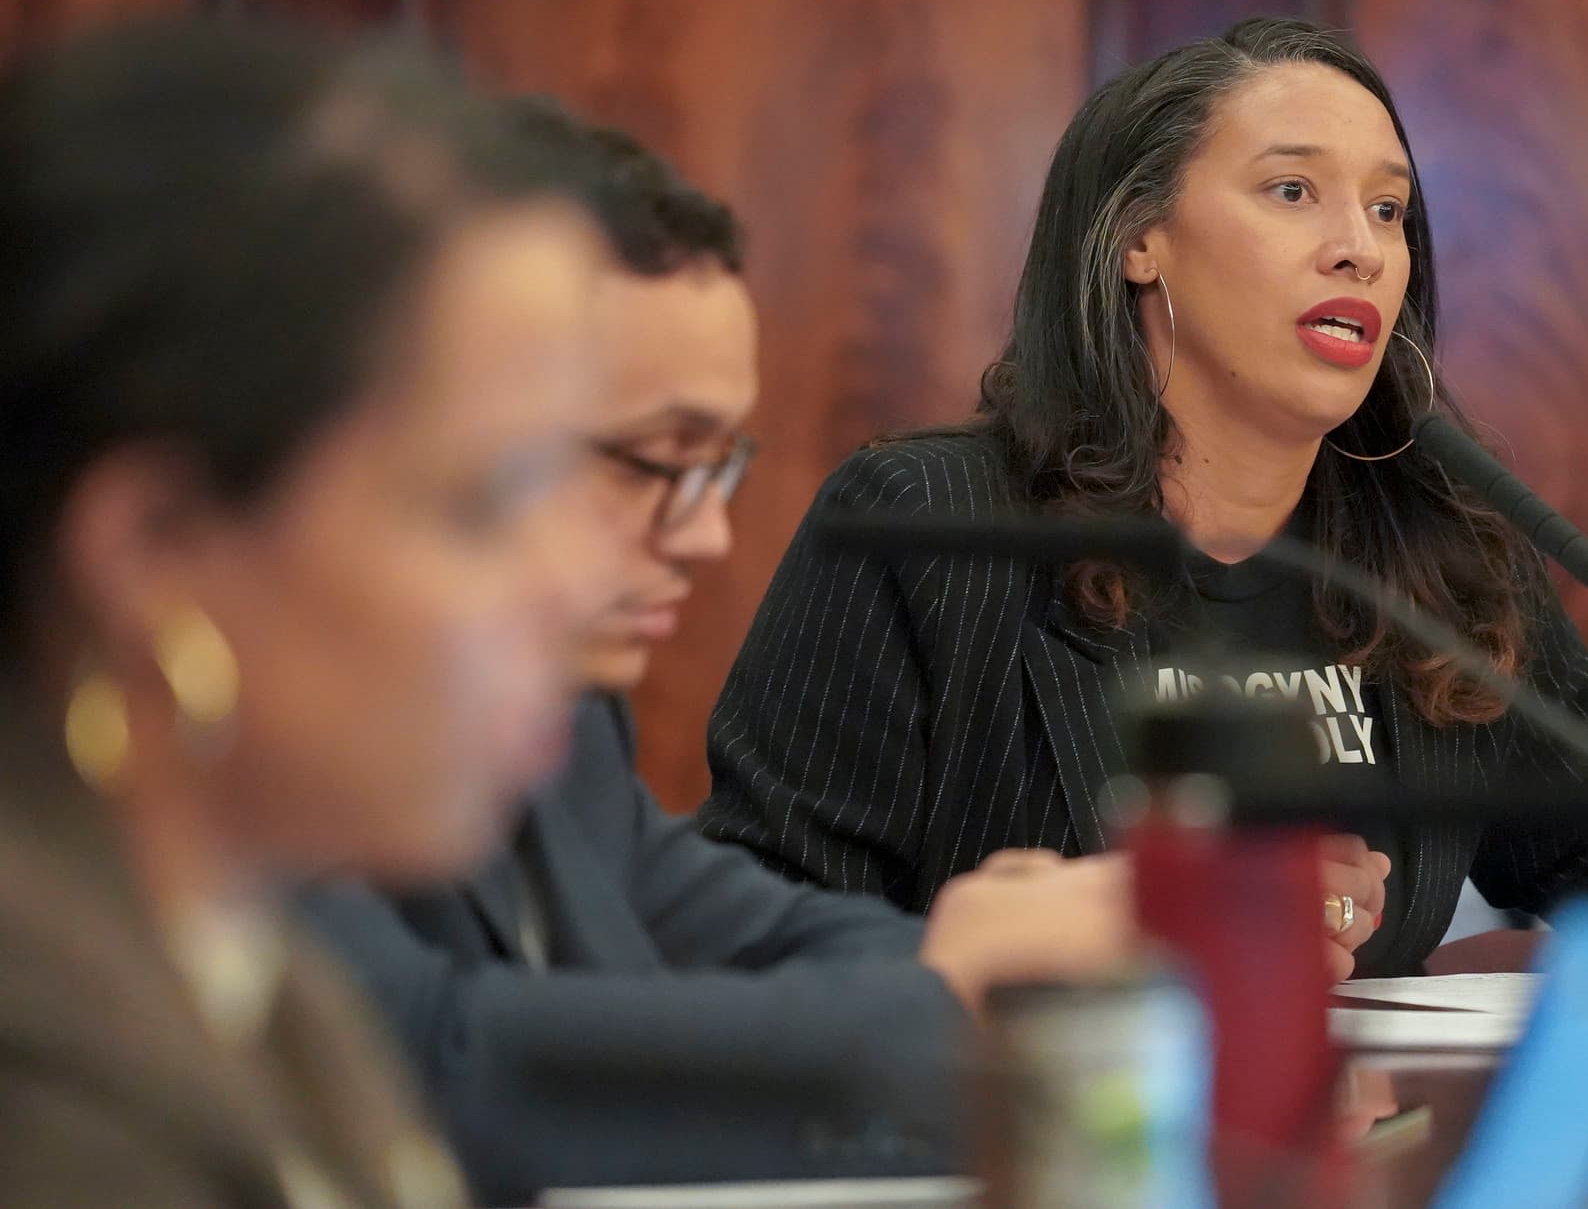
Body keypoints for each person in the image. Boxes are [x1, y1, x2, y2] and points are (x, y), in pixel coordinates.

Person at [699, 16, 1588, 973]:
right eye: (1293, 192)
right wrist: (1112, 943)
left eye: (1387, 209)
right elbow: (758, 930)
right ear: (1139, 239)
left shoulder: (1440, 550)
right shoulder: (934, 526)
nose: (1360, 247)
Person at [298, 98, 1134, 1205]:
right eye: (654, 459)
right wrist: (939, 994)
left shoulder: (564, 711)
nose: (705, 536)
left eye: (716, 465)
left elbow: (725, 927)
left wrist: (1007, 956)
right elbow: (420, 1059)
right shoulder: (227, 712)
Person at [0, 16, 608, 1205]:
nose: (579, 582)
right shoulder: (47, 1112)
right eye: (485, 504)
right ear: (155, 546)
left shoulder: (249, 969)